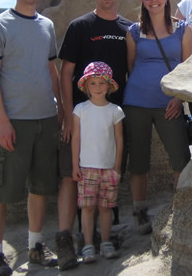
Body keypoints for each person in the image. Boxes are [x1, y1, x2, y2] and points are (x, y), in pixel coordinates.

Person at [0, 0, 62, 276]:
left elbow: (51, 70)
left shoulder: (47, 26)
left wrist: (63, 112)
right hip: (12, 121)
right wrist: (2, 121)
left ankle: (35, 246)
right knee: (0, 190)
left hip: (45, 118)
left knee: (40, 187)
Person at [55, 0, 132, 270]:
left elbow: (130, 69)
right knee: (74, 175)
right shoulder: (80, 26)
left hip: (114, 116)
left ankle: (104, 235)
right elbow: (65, 72)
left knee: (108, 175)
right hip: (81, 116)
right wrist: (65, 111)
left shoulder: (129, 28)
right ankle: (73, 237)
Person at [124, 0, 192, 234]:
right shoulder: (133, 32)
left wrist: (178, 98)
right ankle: (140, 211)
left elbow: (188, 68)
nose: (154, 0)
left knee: (180, 157)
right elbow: (131, 67)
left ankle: (180, 208)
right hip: (137, 102)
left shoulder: (183, 30)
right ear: (143, 0)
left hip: (170, 103)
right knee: (139, 160)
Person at [71, 62, 124, 263]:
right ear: (86, 87)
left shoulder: (115, 111)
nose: (98, 87)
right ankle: (87, 244)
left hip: (109, 168)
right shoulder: (80, 110)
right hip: (86, 167)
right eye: (93, 83)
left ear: (109, 86)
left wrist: (117, 167)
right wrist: (75, 165)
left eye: (102, 83)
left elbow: (119, 140)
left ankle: (106, 241)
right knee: (87, 207)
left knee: (106, 207)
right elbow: (76, 138)